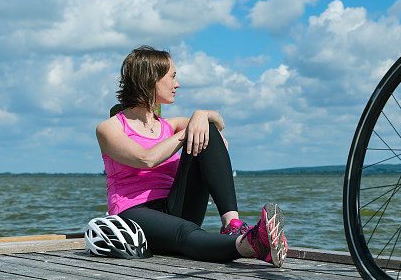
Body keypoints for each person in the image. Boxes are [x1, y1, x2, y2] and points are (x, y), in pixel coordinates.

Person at [95, 45, 287, 266]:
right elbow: (146, 159)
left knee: (207, 128)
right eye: (172, 77)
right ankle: (250, 244)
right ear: (151, 79)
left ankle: (233, 225)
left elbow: (218, 124)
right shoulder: (109, 128)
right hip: (134, 212)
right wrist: (188, 131)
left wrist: (201, 115)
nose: (177, 84)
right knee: (186, 232)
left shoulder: (171, 125)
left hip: (175, 205)